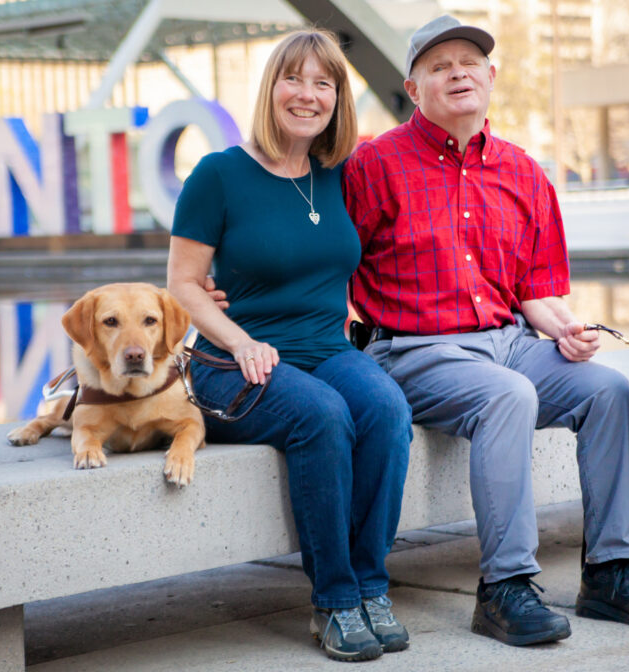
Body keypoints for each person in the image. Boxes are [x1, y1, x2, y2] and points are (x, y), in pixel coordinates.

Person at [342, 15, 629, 647]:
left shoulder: (523, 171)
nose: (458, 73)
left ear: (491, 78)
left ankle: (612, 572)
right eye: (439, 66)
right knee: (509, 395)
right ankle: (505, 589)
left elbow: (538, 289)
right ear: (413, 88)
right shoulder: (375, 165)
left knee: (606, 389)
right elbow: (333, 266)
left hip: (507, 342)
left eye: (469, 63)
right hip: (416, 350)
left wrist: (568, 331)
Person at [166, 30, 413, 663]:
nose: (307, 94)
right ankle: (333, 600)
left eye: (323, 83)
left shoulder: (337, 174)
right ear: (271, 87)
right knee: (323, 415)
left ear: (337, 98)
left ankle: (369, 587)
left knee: (386, 409)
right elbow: (184, 287)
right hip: (232, 362)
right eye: (294, 79)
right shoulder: (219, 174)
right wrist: (241, 339)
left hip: (327, 349)